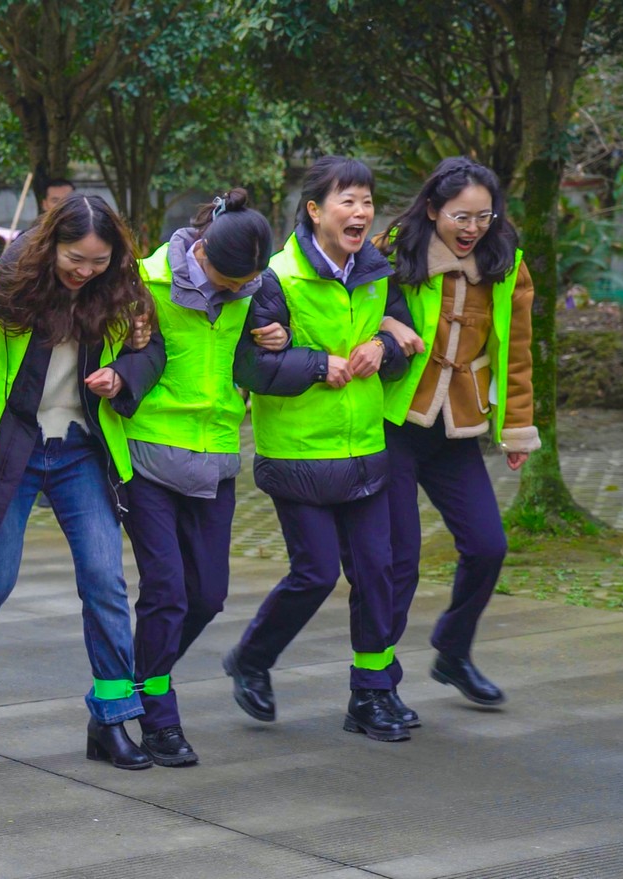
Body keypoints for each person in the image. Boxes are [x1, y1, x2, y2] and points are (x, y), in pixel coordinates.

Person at [0, 192, 163, 770]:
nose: (85, 271)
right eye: (76, 258)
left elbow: (152, 356)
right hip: (12, 452)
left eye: (98, 262)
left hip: (80, 451)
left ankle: (112, 719)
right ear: (52, 244)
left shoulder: (124, 293)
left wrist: (123, 375)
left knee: (105, 581)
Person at [223, 156, 416, 743]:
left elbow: (402, 338)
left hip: (365, 448)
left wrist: (385, 347)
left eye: (366, 201)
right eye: (346, 201)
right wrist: (316, 364)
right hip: (299, 455)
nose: (359, 213)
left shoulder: (378, 272)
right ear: (314, 210)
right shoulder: (275, 279)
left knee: (378, 572)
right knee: (313, 574)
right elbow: (250, 365)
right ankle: (252, 658)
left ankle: (372, 693)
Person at [122, 188, 285, 765]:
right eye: (232, 280)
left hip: (215, 458)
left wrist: (276, 339)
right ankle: (158, 715)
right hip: (147, 456)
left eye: (249, 283)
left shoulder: (253, 291)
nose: (241, 290)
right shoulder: (146, 284)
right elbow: (108, 349)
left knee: (207, 596)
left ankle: (138, 681)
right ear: (205, 256)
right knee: (165, 591)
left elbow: (257, 354)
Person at [377, 156, 538, 712]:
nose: (472, 229)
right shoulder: (393, 251)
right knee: (401, 560)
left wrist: (516, 429)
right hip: (395, 424)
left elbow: (516, 354)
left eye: (483, 217)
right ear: (433, 210)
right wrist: (388, 325)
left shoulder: (506, 264)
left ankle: (453, 650)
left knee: (488, 546)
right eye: (460, 217)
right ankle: (376, 683)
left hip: (457, 429)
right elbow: (352, 307)